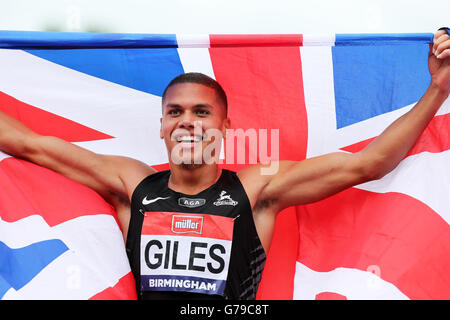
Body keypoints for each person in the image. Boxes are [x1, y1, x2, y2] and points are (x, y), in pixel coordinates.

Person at [0, 29, 449, 300]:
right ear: (161, 126)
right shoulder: (131, 183)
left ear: (226, 127)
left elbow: (366, 164)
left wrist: (438, 90)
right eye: (175, 113)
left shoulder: (256, 189)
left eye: (201, 113)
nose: (187, 123)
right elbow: (29, 144)